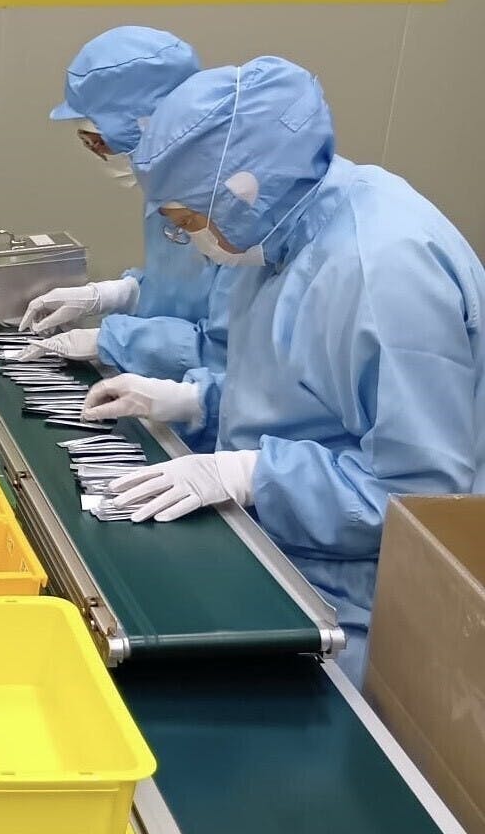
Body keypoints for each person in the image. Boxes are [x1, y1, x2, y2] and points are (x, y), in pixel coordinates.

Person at [81, 57, 485, 682]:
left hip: (363, 609)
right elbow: (303, 395)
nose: (192, 239)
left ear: (243, 188)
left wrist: (250, 474)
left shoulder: (381, 273)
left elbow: (422, 501)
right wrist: (194, 400)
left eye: (190, 222)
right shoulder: (283, 229)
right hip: (290, 562)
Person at [18, 26, 229, 384]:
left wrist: (114, 340)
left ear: (146, 126)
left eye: (98, 142)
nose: (99, 155)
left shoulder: (230, 199)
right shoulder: (168, 181)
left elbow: (231, 348)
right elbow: (182, 289)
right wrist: (119, 293)